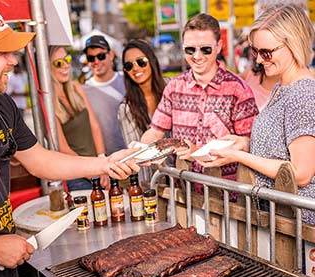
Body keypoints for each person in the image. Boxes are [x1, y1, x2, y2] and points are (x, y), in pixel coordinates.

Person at [0, 3, 140, 277]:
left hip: (6, 258)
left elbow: (39, 160)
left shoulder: (0, 104)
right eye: (2, 53)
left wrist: (105, 163)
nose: (12, 60)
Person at [199, 4, 315, 224]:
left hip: (298, 225)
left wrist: (239, 156)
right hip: (281, 219)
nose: (259, 60)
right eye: (256, 51)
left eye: (266, 52)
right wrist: (245, 143)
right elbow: (282, 149)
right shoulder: (283, 87)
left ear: (293, 45)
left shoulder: (303, 94)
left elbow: (301, 173)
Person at [140, 13, 259, 202]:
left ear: (219, 46)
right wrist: (140, 149)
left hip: (229, 198)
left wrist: (198, 151)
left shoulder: (238, 89)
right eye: (190, 50)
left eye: (205, 49)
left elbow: (251, 143)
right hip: (184, 194)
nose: (197, 56)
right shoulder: (174, 87)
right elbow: (155, 131)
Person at [48, 45, 108, 191]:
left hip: (98, 168)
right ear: (47, 68)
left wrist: (102, 161)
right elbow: (63, 148)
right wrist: (93, 171)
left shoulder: (76, 87)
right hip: (76, 174)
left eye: (67, 59)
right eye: (59, 63)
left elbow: (95, 126)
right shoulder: (48, 102)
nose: (66, 65)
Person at [118, 39, 167, 184]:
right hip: (152, 182)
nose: (136, 68)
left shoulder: (171, 88)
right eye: (129, 65)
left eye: (141, 61)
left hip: (184, 176)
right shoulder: (126, 108)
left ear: (151, 61)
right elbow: (138, 154)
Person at [82, 35, 127, 155]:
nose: (96, 62)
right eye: (91, 58)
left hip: (135, 154)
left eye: (101, 56)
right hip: (108, 161)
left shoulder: (127, 80)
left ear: (111, 55)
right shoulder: (83, 91)